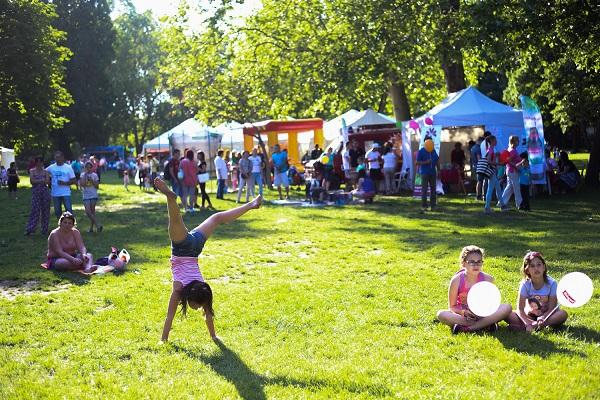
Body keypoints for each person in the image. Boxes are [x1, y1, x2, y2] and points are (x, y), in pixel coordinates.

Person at [155, 177, 262, 342]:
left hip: (195, 246)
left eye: (197, 306)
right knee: (175, 219)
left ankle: (251, 204)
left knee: (216, 218)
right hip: (183, 246)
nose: (197, 308)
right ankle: (170, 197)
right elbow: (169, 317)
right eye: (198, 305)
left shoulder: (200, 289)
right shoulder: (183, 289)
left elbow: (203, 315)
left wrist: (214, 336)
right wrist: (163, 340)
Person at [436, 245, 512, 334]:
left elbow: (491, 303)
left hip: (483, 314)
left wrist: (483, 311)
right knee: (441, 314)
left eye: (479, 262)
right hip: (464, 315)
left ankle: (469, 328)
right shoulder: (456, 280)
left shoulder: (488, 279)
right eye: (471, 262)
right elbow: (452, 306)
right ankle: (485, 325)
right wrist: (463, 312)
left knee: (507, 307)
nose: (476, 265)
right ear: (464, 263)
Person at [506, 251, 568, 332]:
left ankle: (534, 326)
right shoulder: (525, 284)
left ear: (544, 267)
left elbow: (552, 308)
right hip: (530, 315)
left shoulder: (552, 284)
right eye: (532, 266)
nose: (536, 268)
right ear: (527, 270)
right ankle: (531, 325)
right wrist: (527, 322)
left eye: (539, 265)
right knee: (508, 314)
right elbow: (520, 309)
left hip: (548, 316)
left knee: (563, 314)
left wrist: (543, 317)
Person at [25, 157, 51, 236]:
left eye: (41, 162)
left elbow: (48, 181)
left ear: (43, 163)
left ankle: (44, 229)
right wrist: (42, 180)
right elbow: (32, 181)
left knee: (45, 211)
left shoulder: (46, 171)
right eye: (38, 162)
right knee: (35, 210)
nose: (39, 164)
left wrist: (38, 181)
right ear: (36, 163)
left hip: (45, 193)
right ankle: (30, 229)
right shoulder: (32, 171)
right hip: (36, 193)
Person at [46, 151, 76, 218]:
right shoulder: (51, 167)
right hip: (55, 193)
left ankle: (71, 226)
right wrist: (48, 179)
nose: (57, 159)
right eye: (56, 157)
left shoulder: (68, 167)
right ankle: (61, 227)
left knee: (69, 211)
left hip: (65, 193)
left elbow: (74, 180)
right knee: (57, 212)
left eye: (58, 157)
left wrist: (65, 183)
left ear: (62, 157)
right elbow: (44, 172)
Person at [483, 135, 508, 214]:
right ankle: (487, 207)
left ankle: (502, 205)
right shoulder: (490, 150)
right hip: (492, 172)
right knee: (491, 189)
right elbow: (489, 161)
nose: (497, 141)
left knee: (498, 188)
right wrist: (499, 163)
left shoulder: (491, 149)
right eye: (496, 140)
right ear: (492, 141)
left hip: (492, 172)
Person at [416, 138, 439, 212]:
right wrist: (425, 162)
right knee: (424, 190)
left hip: (433, 173)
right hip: (424, 173)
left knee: (433, 190)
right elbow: (417, 163)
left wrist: (439, 170)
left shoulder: (433, 150)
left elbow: (437, 160)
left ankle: (433, 206)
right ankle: (424, 206)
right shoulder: (421, 151)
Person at [501, 135, 524, 210]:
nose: (519, 142)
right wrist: (516, 166)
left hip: (509, 170)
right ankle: (519, 204)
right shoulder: (513, 151)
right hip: (513, 171)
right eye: (517, 141)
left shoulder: (510, 149)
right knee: (516, 188)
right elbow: (508, 160)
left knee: (509, 188)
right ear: (514, 142)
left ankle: (501, 202)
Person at [79, 161, 102, 233]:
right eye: (87, 167)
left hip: (93, 195)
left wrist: (91, 180)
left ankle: (91, 228)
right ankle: (97, 225)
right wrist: (85, 175)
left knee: (92, 212)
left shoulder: (95, 175)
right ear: (85, 168)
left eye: (90, 167)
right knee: (88, 211)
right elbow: (82, 184)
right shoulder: (82, 174)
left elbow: (97, 186)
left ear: (92, 168)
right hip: (86, 195)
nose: (88, 169)